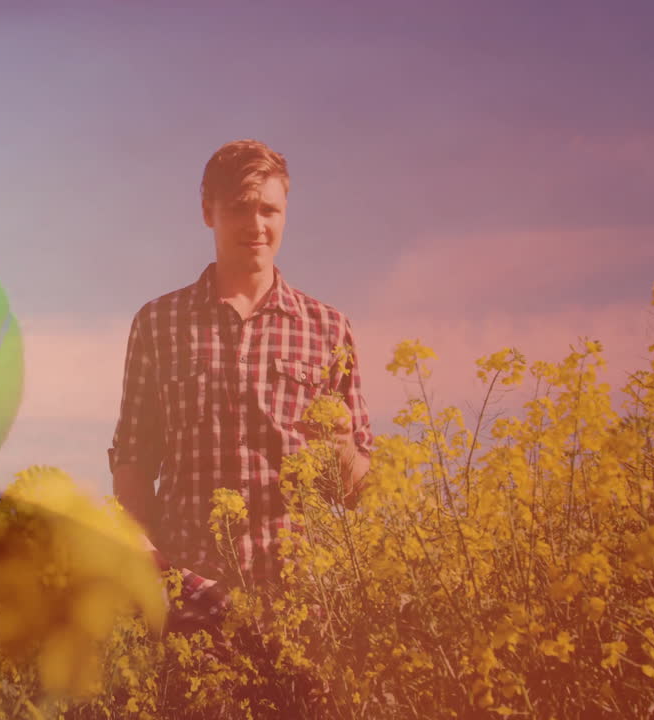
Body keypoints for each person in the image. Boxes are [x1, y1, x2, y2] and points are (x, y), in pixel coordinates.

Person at [107, 139, 374, 706]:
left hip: (299, 604)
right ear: (209, 211)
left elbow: (352, 492)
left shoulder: (329, 329)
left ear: (284, 213)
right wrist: (144, 565)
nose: (255, 225)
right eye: (238, 209)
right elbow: (132, 457)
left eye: (269, 210)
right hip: (188, 600)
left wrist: (343, 442)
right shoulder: (159, 324)